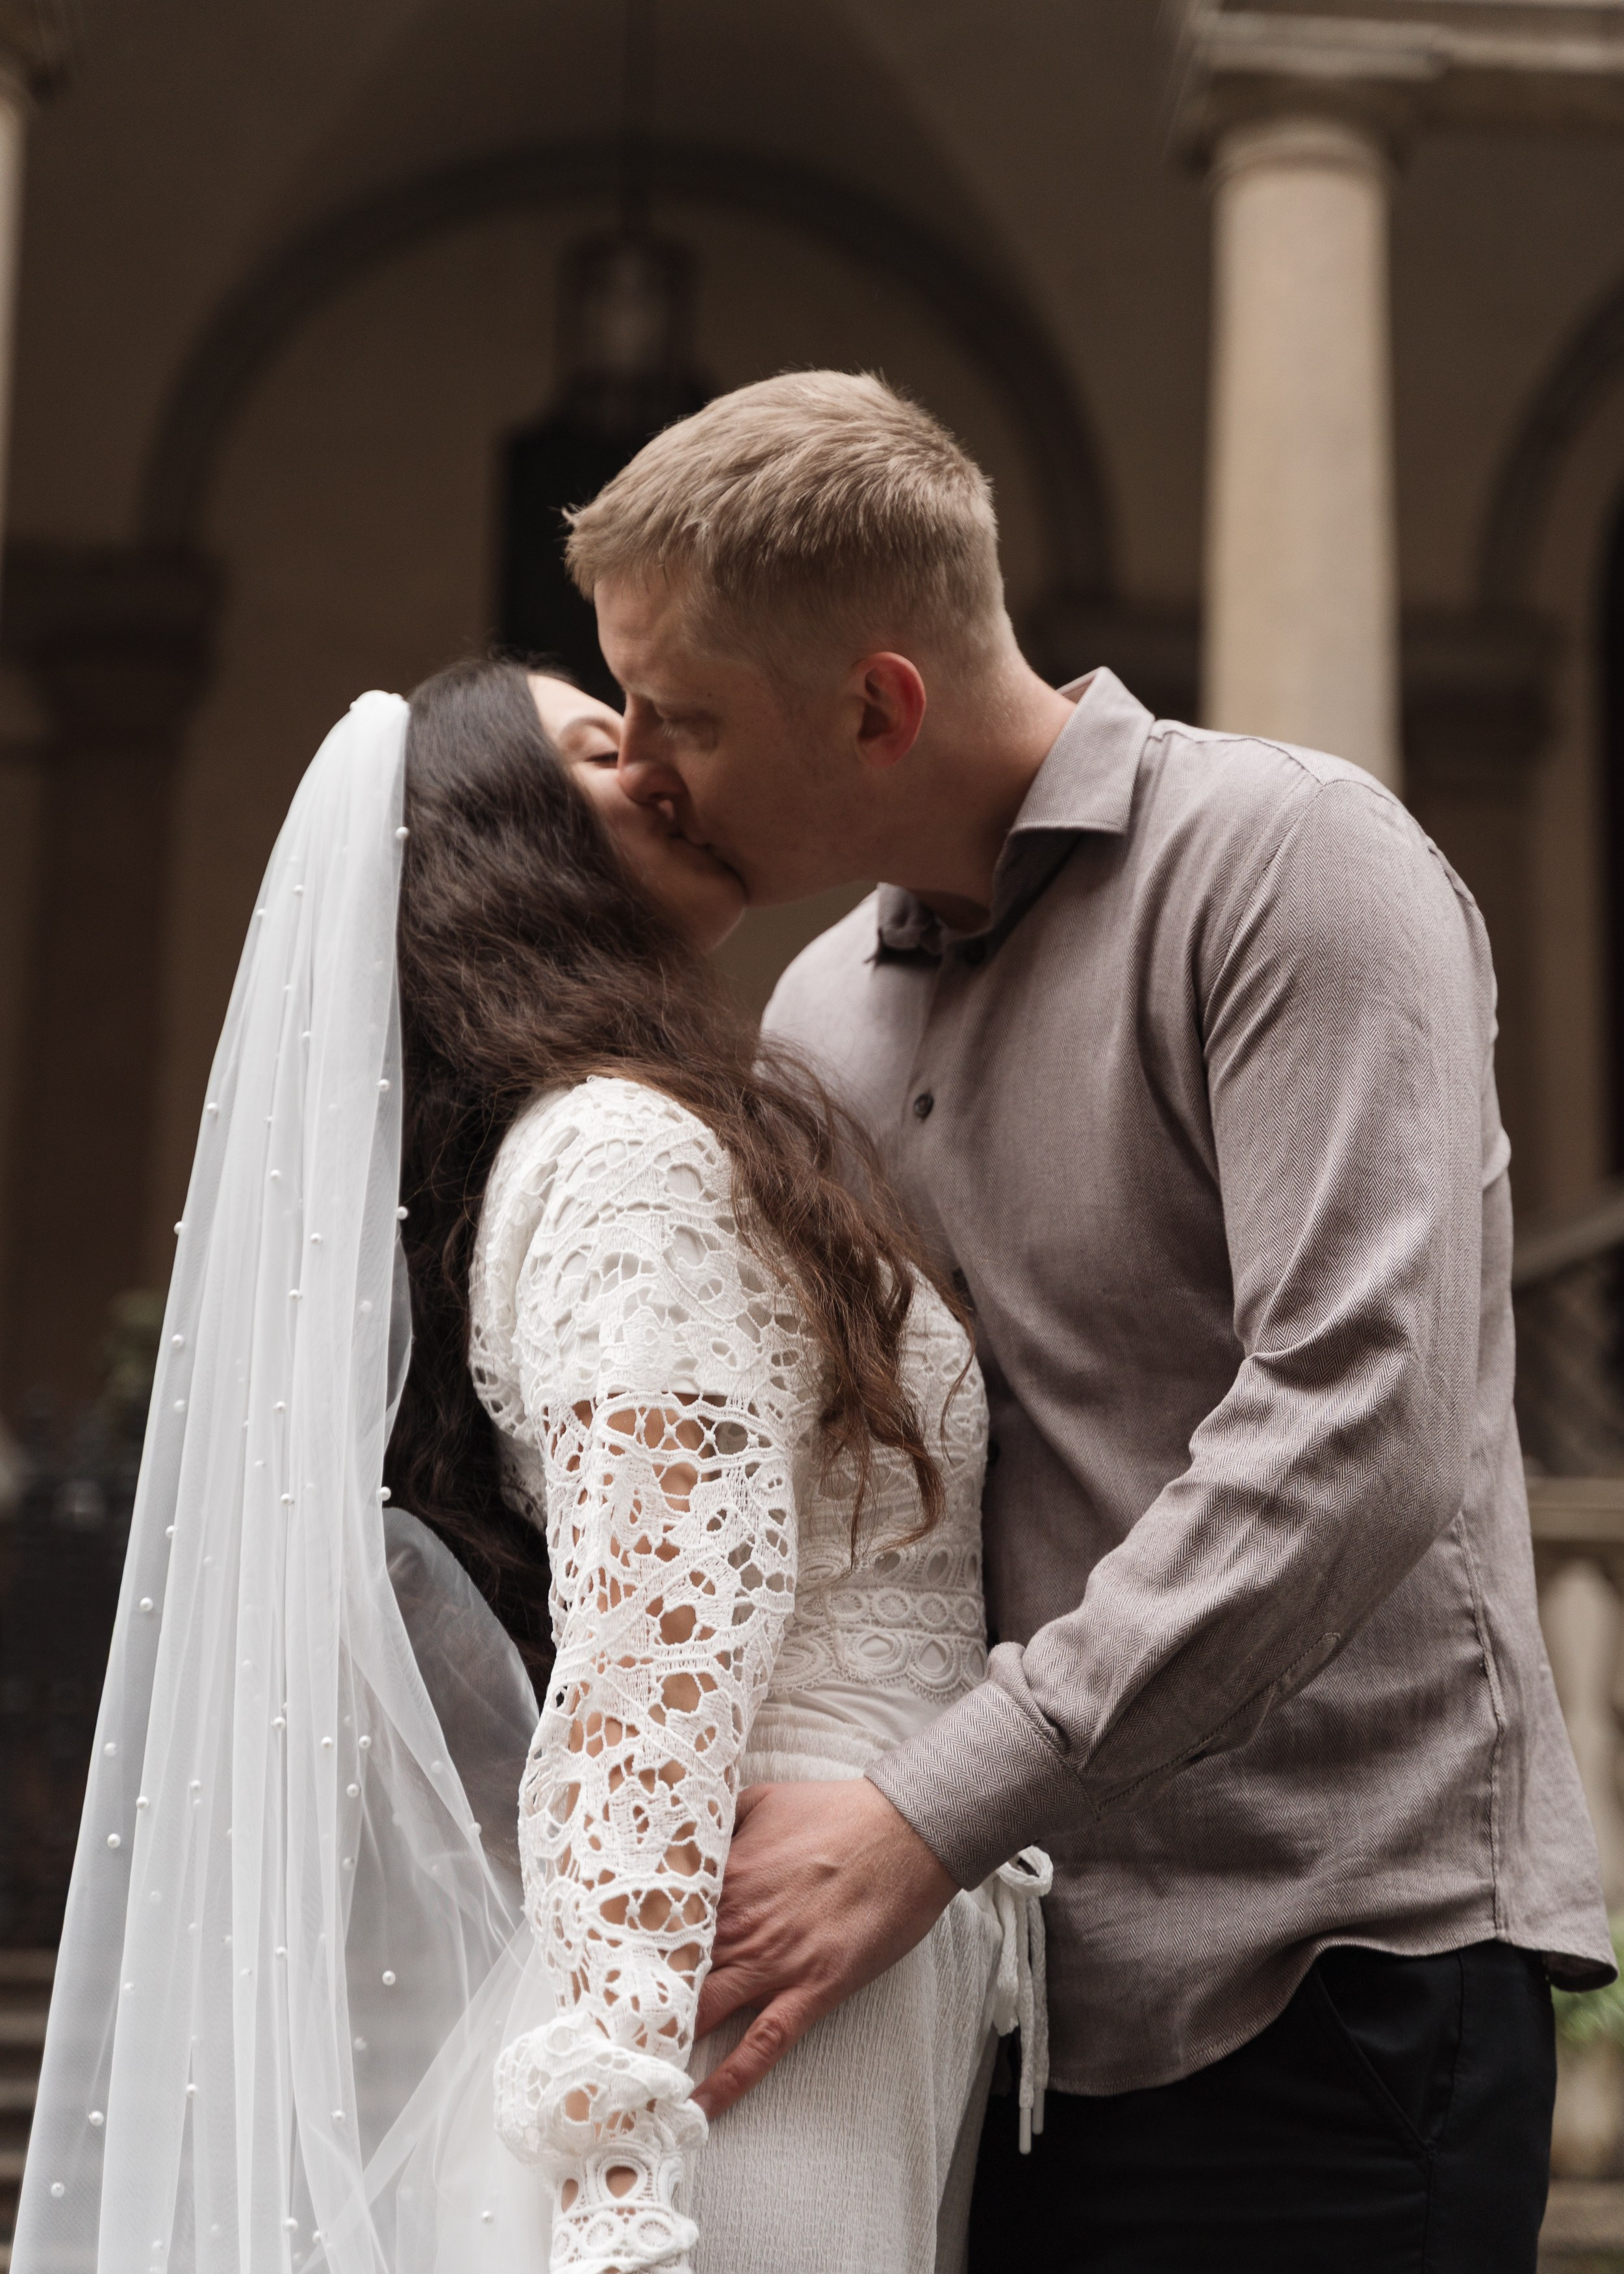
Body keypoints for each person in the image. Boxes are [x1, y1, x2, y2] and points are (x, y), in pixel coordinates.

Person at [555, 367, 1616, 2271]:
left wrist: (924, 1809)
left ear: (879, 702)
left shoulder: (1296, 864)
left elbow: (1352, 1422)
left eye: (684, 711)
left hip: (1334, 1977)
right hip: (1005, 2017)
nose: (644, 759)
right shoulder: (814, 1015)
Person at [14, 659, 1046, 2274]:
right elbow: (649, 1666)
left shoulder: (635, 1127)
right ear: (503, 840)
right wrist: (625, 2150)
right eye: (595, 747)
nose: (653, 762)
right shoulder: (625, 1158)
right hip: (743, 2010)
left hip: (835, 1964)